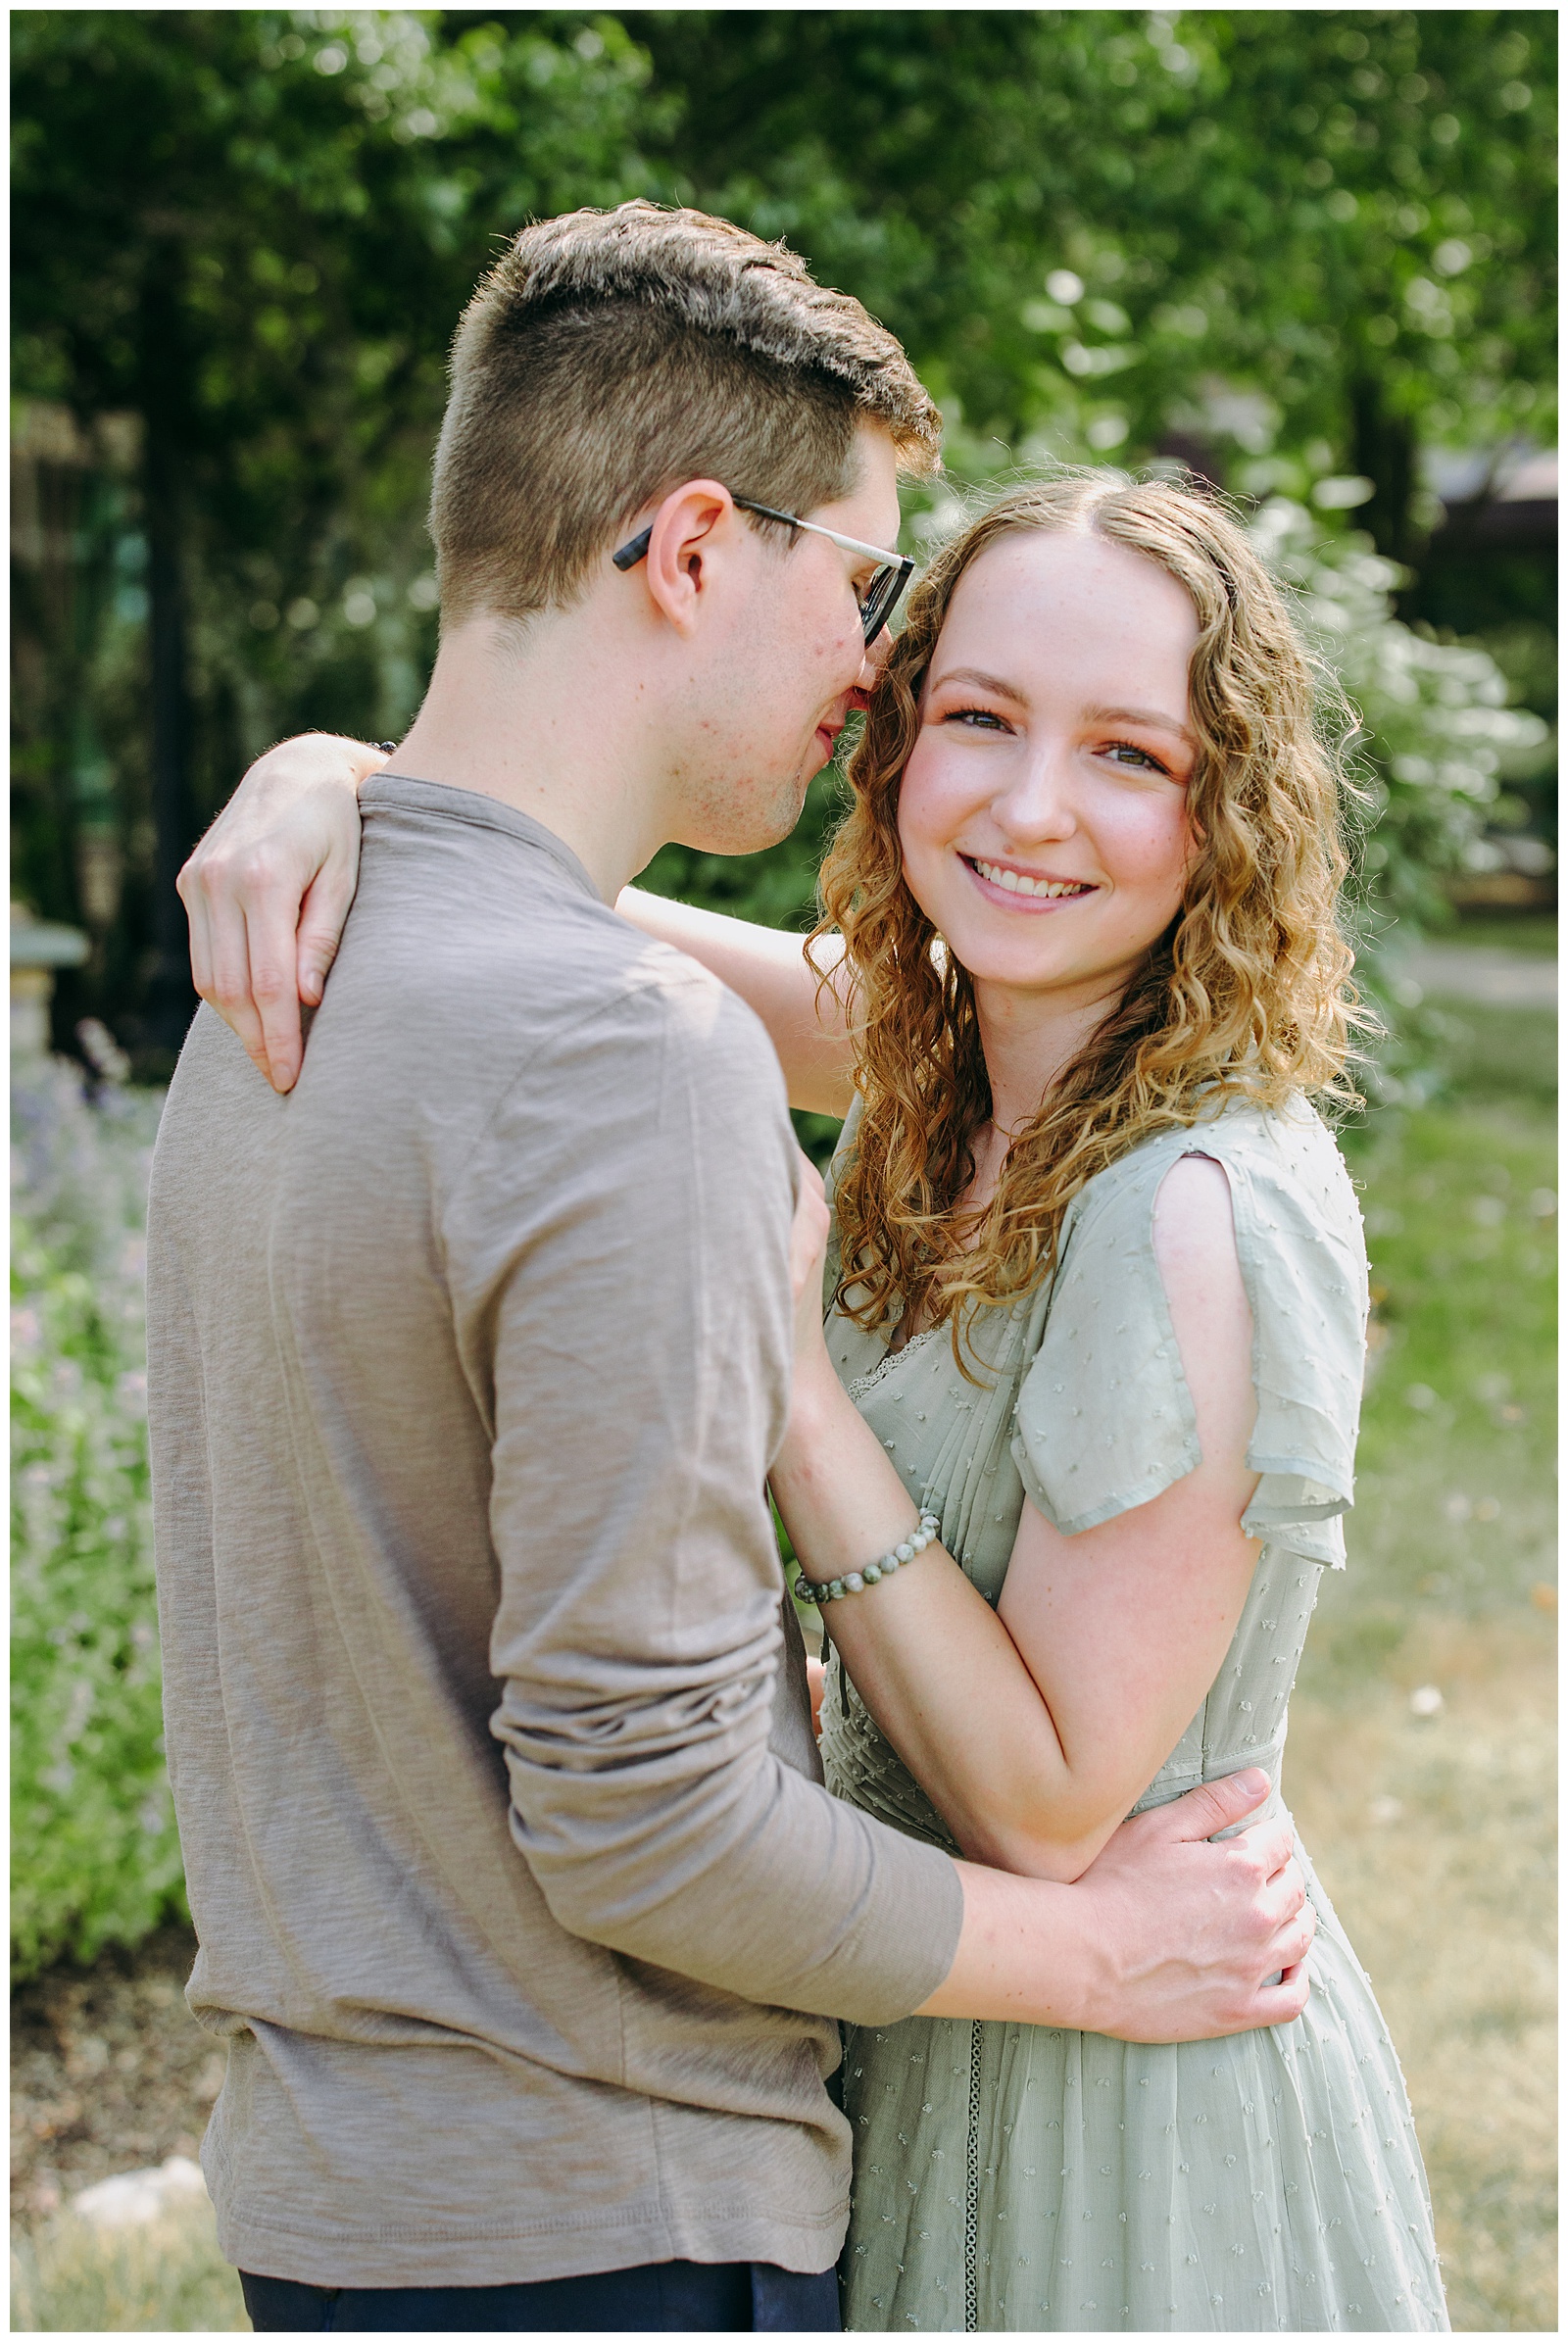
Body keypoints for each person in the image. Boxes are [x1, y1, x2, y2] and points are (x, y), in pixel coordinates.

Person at [152, 205, 1316, 2338]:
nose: (868, 675)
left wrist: (335, 774)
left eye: (1133, 750)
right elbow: (643, 1808)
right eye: (885, 610)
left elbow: (819, 992)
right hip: (609, 2197)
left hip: (381, 2196)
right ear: (694, 553)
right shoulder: (631, 1033)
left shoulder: (282, 983)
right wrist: (322, 777)